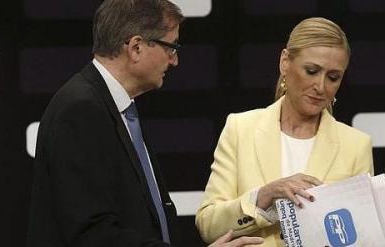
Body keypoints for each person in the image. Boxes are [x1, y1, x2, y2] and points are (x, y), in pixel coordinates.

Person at [26, 0, 263, 246]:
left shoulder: (115, 106)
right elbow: (92, 232)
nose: (174, 61)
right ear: (136, 47)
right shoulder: (81, 110)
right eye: (171, 48)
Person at [195, 17, 374, 246]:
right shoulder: (241, 128)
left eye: (333, 77)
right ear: (285, 62)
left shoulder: (356, 145)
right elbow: (208, 225)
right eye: (311, 71)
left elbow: (366, 238)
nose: (320, 86)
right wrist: (264, 196)